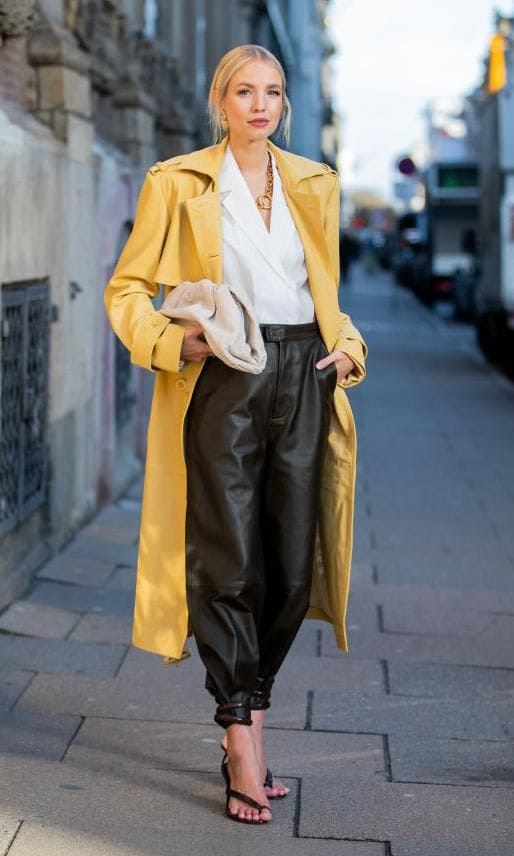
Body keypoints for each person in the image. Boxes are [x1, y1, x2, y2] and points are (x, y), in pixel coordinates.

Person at [104, 44, 367, 826]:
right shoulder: (177, 181)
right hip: (223, 375)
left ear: (283, 104)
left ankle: (252, 707)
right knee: (230, 559)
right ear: (220, 100)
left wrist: (350, 346)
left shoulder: (314, 184)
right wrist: (169, 341)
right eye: (245, 92)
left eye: (273, 92)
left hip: (304, 372)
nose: (261, 105)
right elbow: (126, 290)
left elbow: (326, 296)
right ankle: (241, 734)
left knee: (291, 563)